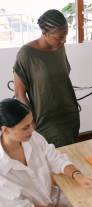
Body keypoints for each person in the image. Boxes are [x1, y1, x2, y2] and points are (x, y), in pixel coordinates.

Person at [0, 98, 92, 207]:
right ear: (6, 130)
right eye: (25, 127)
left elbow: (55, 159)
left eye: (31, 122)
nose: (32, 130)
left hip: (55, 197)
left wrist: (78, 176)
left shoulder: (32, 137)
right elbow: (20, 205)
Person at [13, 9, 79, 148]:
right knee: (51, 162)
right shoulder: (26, 54)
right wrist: (31, 123)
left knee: (71, 156)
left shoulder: (60, 47)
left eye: (65, 36)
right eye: (59, 37)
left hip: (69, 114)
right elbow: (20, 94)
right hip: (46, 120)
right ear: (44, 33)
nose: (63, 40)